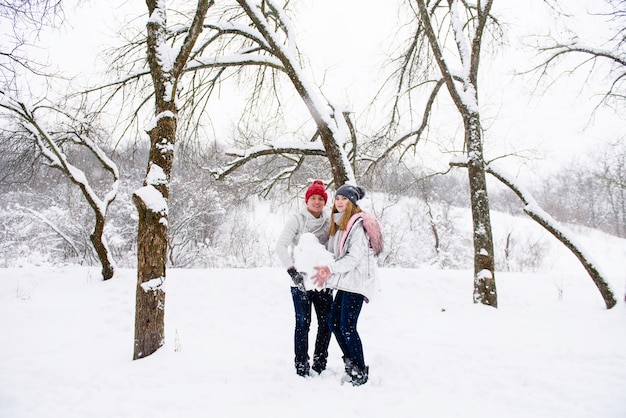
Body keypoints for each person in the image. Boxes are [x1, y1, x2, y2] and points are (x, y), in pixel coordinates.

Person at [311, 184, 378, 386]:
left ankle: (359, 370)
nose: (339, 202)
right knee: (334, 323)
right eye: (337, 198)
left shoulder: (356, 225)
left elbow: (354, 258)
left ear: (352, 203)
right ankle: (351, 364)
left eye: (344, 199)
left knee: (347, 326)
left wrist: (329, 269)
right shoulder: (341, 223)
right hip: (347, 282)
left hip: (357, 282)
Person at [275, 180, 334, 377]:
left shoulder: (328, 222)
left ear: (324, 202)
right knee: (303, 323)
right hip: (300, 280)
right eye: (313, 198)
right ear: (307, 200)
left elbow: (333, 249)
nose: (317, 202)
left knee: (326, 323)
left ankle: (320, 362)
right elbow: (281, 246)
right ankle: (301, 364)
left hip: (321, 280)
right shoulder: (297, 220)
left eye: (320, 199)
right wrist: (292, 271)